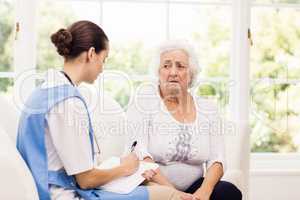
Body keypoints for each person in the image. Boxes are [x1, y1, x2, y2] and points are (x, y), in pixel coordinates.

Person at [16, 21, 184, 200]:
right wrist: (125, 168)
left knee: (150, 185)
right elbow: (86, 180)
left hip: (48, 187)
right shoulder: (68, 103)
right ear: (91, 54)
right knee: (168, 195)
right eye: (103, 60)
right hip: (64, 195)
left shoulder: (43, 92)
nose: (102, 69)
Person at [126, 40, 242, 200]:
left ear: (191, 74)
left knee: (228, 192)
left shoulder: (208, 109)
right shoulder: (143, 102)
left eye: (180, 66)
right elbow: (140, 154)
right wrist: (174, 194)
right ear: (158, 72)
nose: (173, 72)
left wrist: (204, 191)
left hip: (195, 188)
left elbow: (217, 158)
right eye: (166, 66)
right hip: (155, 186)